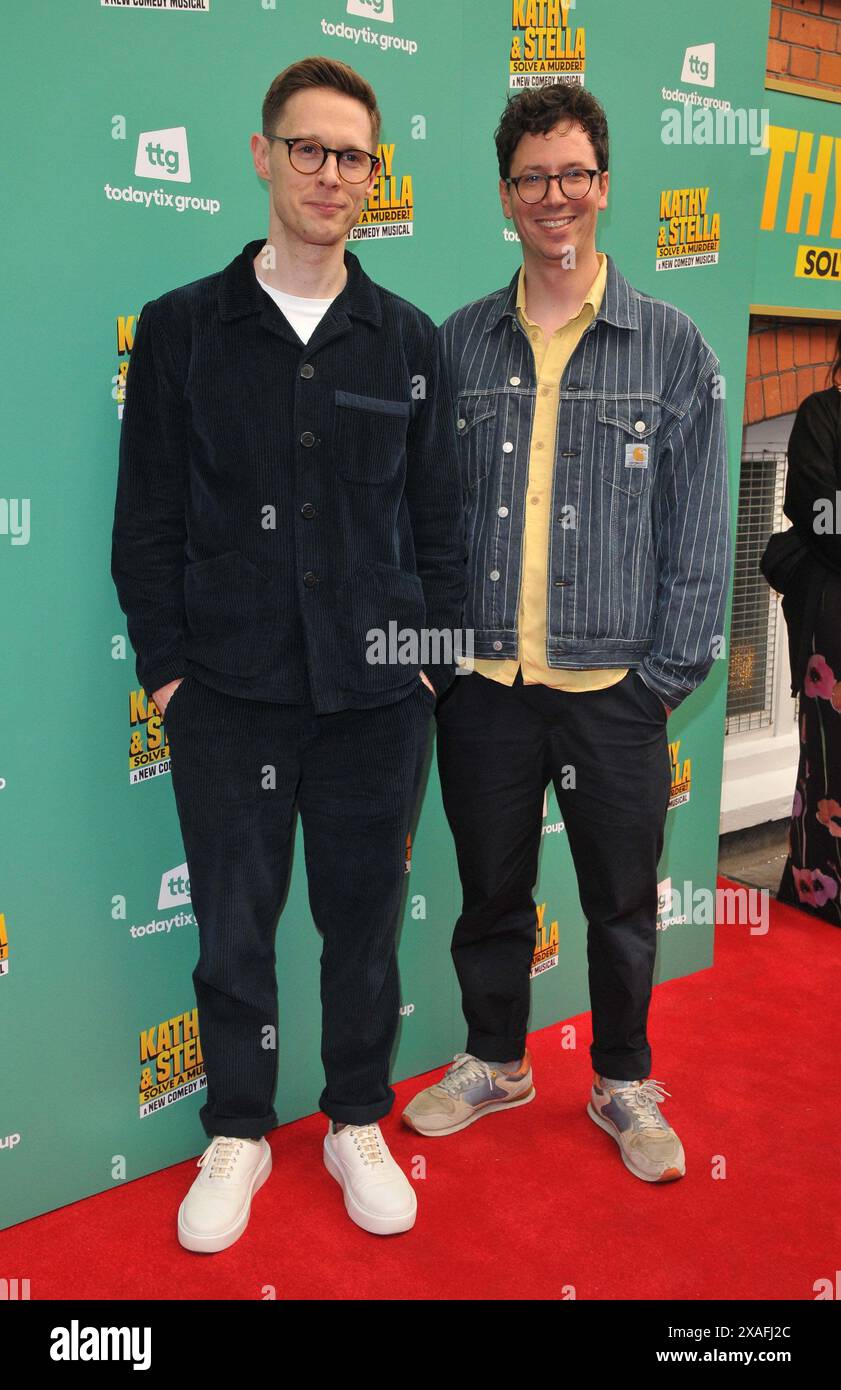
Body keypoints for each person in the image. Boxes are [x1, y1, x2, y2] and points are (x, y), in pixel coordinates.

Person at [111, 56, 466, 1248]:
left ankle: (357, 1115)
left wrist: (426, 667)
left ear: (376, 175)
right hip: (227, 697)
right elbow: (146, 522)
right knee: (233, 927)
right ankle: (240, 1131)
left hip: (377, 702)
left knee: (364, 925)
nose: (329, 173)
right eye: (307, 149)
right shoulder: (178, 333)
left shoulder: (407, 339)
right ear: (264, 157)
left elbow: (441, 529)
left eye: (352, 156)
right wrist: (169, 673)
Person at [403, 83, 732, 1184]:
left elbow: (699, 539)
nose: (556, 195)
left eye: (574, 174)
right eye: (533, 177)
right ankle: (494, 1059)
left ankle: (623, 1080)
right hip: (487, 683)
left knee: (621, 904)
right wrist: (443, 663)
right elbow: (427, 522)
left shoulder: (673, 348)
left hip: (616, 695)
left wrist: (658, 683)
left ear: (604, 186)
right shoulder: (456, 345)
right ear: (506, 195)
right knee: (489, 890)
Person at [775, 330, 841, 926]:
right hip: (835, 620)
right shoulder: (823, 414)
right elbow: (819, 508)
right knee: (832, 759)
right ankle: (822, 886)